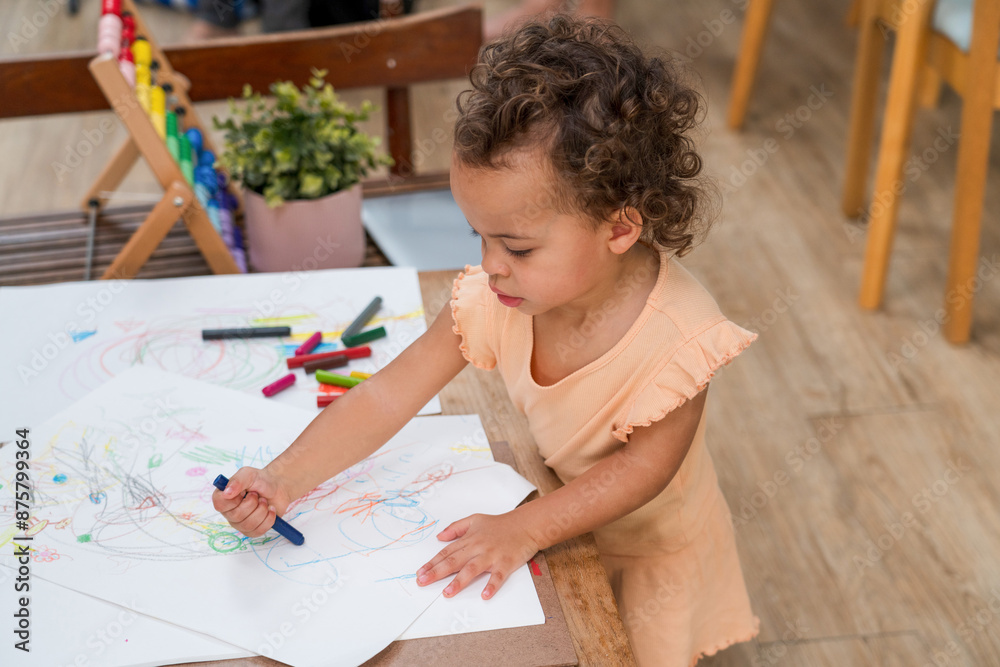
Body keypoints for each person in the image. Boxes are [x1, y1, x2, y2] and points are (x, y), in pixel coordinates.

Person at [213, 15, 759, 666]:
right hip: (554, 516)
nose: (490, 264)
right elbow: (389, 394)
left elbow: (641, 471)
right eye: (479, 236)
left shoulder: (680, 340)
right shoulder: (503, 295)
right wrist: (283, 477)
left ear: (619, 228)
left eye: (517, 247)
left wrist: (525, 528)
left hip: (649, 550)